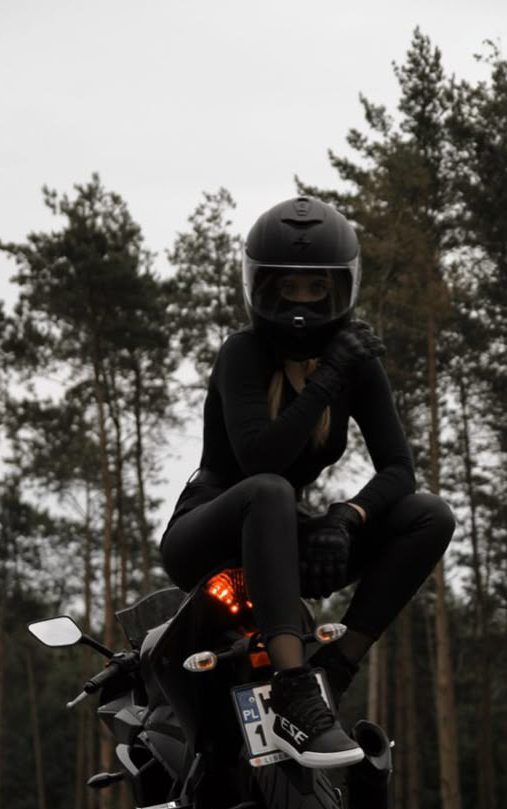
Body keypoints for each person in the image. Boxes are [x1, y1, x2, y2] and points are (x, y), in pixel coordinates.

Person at [160, 196, 454, 769]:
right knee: (269, 489)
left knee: (430, 514)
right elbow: (257, 458)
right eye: (287, 288)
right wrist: (328, 379)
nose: (300, 303)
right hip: (210, 530)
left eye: (314, 288)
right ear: (262, 288)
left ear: (339, 288)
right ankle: (296, 690)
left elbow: (399, 470)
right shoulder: (242, 354)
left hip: (280, 534)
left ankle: (334, 671)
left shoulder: (356, 361)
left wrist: (348, 519)